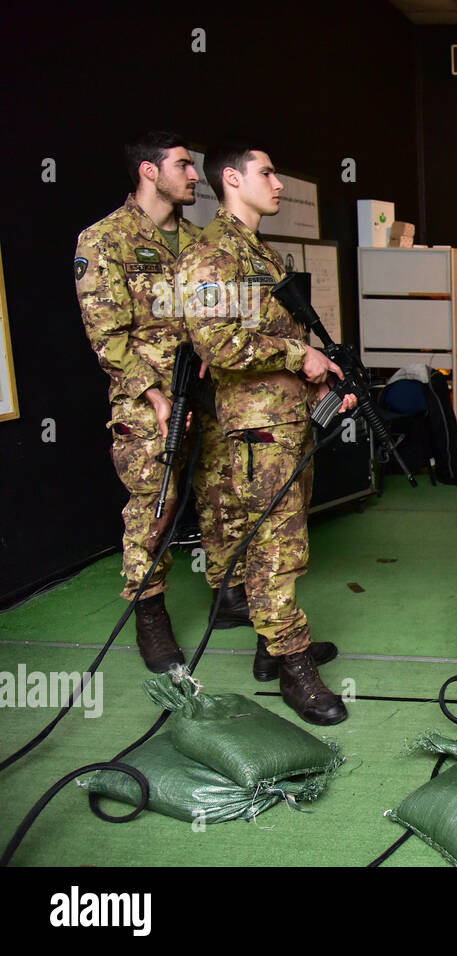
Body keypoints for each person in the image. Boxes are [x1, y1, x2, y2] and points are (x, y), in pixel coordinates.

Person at [180, 141, 352, 725]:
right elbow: (217, 343)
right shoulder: (211, 254)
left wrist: (322, 377)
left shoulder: (262, 253)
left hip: (288, 421)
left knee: (286, 540)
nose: (278, 184)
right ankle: (295, 668)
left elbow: (289, 343)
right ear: (231, 179)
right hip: (255, 429)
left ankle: (268, 646)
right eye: (267, 173)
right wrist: (295, 352)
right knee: (275, 547)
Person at [74, 130, 250, 675]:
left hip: (207, 391)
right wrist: (152, 394)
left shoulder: (201, 243)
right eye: (182, 166)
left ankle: (229, 594)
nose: (196, 175)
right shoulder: (104, 239)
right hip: (147, 402)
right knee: (155, 509)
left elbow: (223, 317)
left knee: (226, 494)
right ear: (150, 172)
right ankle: (150, 615)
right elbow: (106, 333)